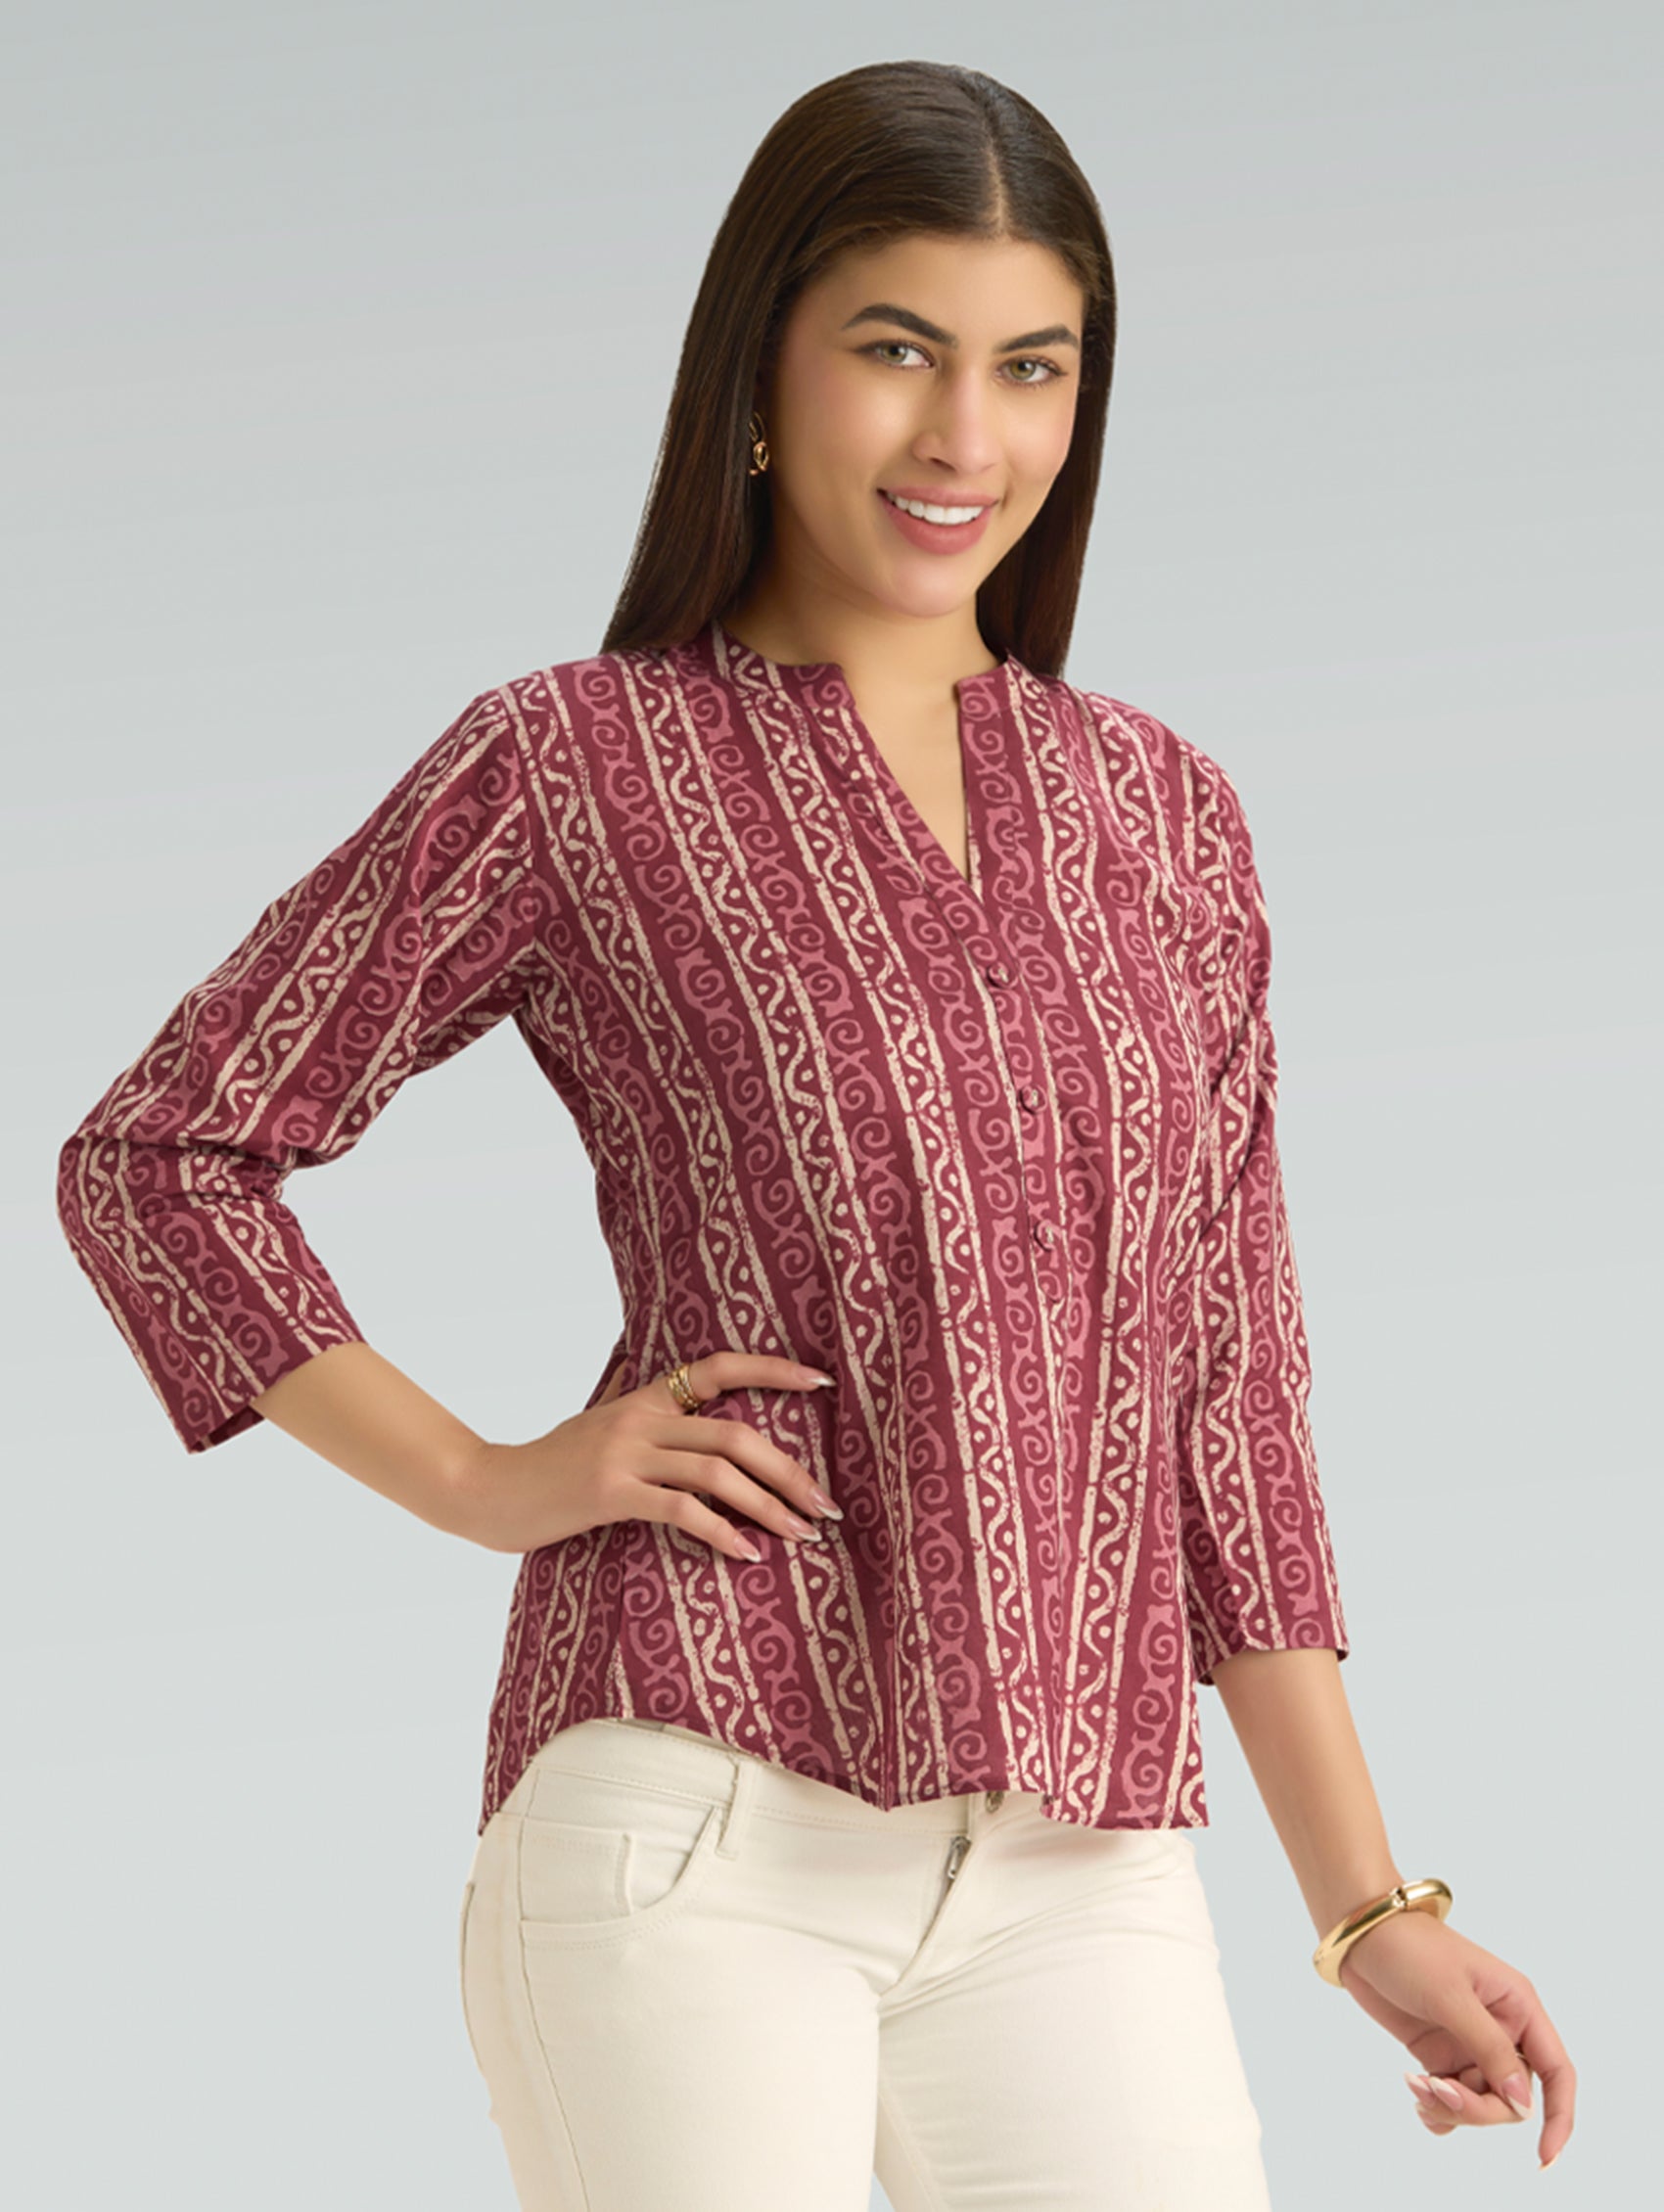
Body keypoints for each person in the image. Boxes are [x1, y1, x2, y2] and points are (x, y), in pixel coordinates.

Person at [56, 57, 1576, 2212]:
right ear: (760, 368)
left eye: (1031, 368)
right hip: (696, 1815)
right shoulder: (575, 765)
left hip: (1083, 1854)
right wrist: (490, 1479)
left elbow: (1225, 1382)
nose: (967, 438)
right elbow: (162, 1158)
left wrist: (1366, 1906)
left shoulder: (1165, 813)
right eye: (896, 350)